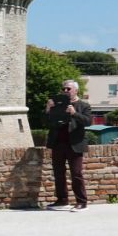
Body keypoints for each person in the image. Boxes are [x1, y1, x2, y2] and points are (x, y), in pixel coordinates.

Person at [45, 79, 92, 211]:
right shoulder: (57, 105)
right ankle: (62, 200)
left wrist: (74, 113)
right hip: (58, 144)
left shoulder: (83, 105)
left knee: (76, 174)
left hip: (75, 144)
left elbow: (88, 122)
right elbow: (46, 123)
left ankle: (82, 202)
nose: (65, 91)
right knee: (58, 173)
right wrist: (48, 110)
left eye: (68, 89)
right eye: (64, 89)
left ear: (76, 90)